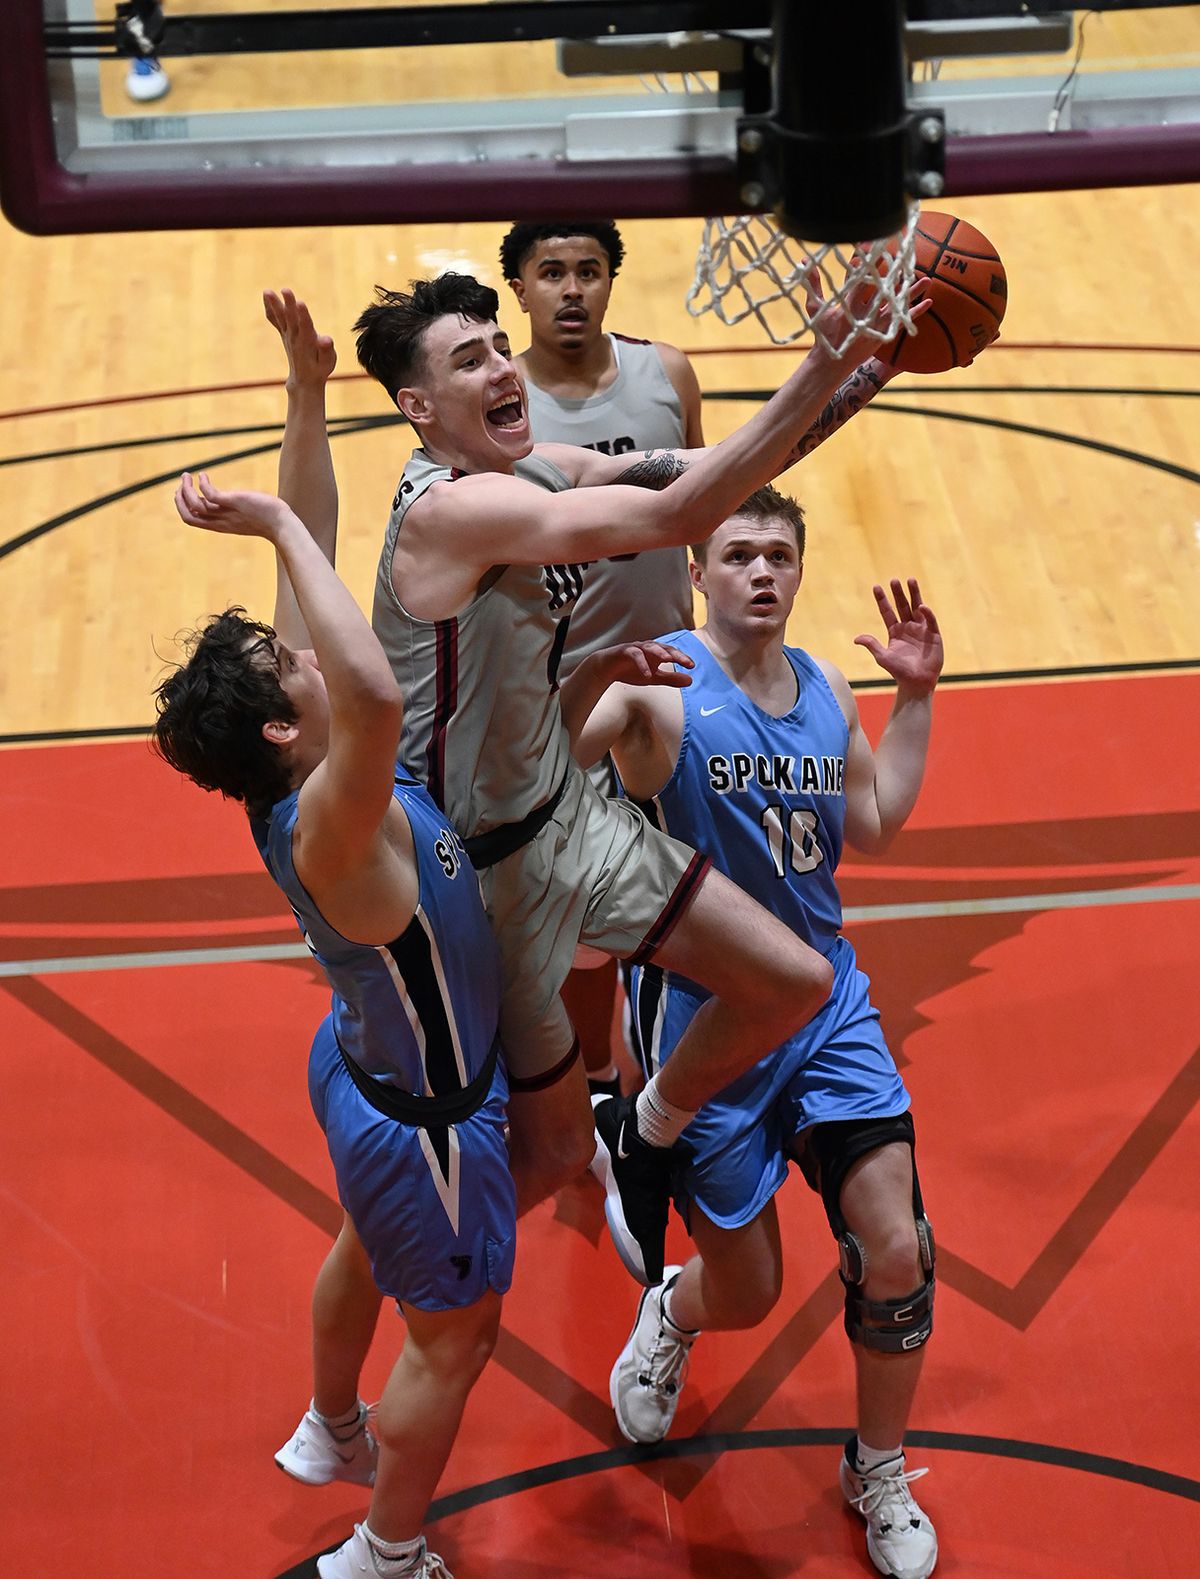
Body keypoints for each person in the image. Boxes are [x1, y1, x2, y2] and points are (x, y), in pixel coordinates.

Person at [350, 268, 928, 1282]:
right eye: (468, 359)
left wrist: (870, 368)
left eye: (497, 347)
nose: (501, 367)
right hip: (479, 872)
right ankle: (390, 1274)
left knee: (792, 977)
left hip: (567, 815)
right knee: (550, 1152)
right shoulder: (450, 513)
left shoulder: (539, 469)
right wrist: (823, 357)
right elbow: (683, 515)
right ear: (419, 408)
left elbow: (705, 467)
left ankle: (651, 1120)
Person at [151, 292, 515, 1579]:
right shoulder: (330, 807)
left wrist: (305, 395)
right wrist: (265, 521)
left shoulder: (301, 774)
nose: (296, 648)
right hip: (432, 1118)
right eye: (279, 660)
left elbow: (320, 586)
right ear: (278, 726)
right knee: (455, 1339)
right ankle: (387, 1549)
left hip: (360, 1070)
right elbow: (366, 681)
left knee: (363, 1241)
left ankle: (329, 1423)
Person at [564, 483, 943, 1579]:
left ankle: (877, 1465)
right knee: (750, 1291)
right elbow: (541, 759)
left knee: (899, 1251)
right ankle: (674, 1314)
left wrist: (914, 697)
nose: (762, 573)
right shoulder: (664, 689)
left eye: (779, 554)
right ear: (699, 572)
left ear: (799, 569)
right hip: (706, 1021)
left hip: (829, 1010)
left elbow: (871, 822)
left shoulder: (827, 685)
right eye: (738, 554)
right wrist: (587, 674)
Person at [500, 218, 705, 1100]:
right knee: (576, 916)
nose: (572, 289)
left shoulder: (668, 372)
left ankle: (677, 1066)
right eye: (551, 273)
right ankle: (590, 1076)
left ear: (612, 281)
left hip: (673, 677)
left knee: (688, 885)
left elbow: (707, 483)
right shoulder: (503, 407)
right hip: (563, 699)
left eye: (589, 270)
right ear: (519, 288)